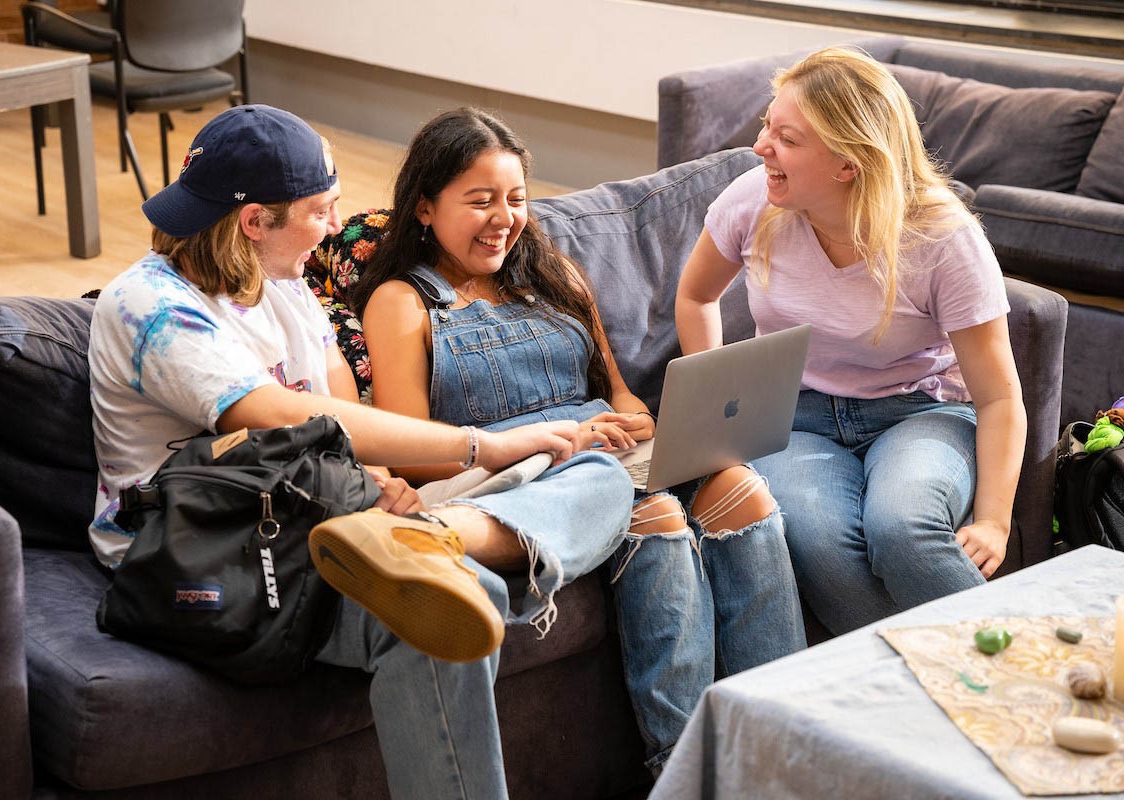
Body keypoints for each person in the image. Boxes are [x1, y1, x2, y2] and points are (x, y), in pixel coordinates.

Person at [87, 103, 636, 800]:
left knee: (598, 476)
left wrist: (380, 484)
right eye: (321, 212)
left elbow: (345, 411)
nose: (336, 230)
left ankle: (427, 538)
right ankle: (423, 551)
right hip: (207, 548)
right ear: (256, 221)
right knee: (456, 602)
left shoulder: (284, 285)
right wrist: (482, 446)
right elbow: (278, 414)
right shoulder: (149, 305)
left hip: (328, 514)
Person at [354, 107, 806, 776]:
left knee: (740, 488)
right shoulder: (402, 302)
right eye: (479, 201)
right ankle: (682, 773)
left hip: (608, 451)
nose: (503, 217)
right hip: (515, 475)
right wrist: (558, 438)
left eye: (515, 199)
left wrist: (638, 420)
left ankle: (788, 747)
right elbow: (412, 454)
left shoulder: (553, 275)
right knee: (654, 513)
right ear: (424, 206)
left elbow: (617, 390)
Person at [675, 47, 1026, 637]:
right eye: (767, 124)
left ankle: (1015, 682)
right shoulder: (752, 199)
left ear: (848, 163)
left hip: (919, 411)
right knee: (817, 537)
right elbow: (696, 297)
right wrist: (718, 407)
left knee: (902, 527)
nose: (761, 146)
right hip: (791, 416)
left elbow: (998, 397)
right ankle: (917, 699)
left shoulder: (942, 239)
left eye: (785, 137)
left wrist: (993, 521)